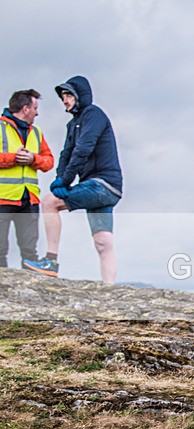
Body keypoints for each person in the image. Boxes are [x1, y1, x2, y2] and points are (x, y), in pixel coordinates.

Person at [23, 76, 123, 284]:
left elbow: (83, 149)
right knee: (102, 242)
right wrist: (60, 178)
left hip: (102, 184)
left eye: (69, 95)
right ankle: (109, 290)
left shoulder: (93, 114)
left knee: (49, 202)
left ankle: (51, 262)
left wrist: (66, 181)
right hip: (100, 188)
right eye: (63, 97)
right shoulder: (73, 124)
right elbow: (66, 154)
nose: (65, 100)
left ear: (80, 95)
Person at [0, 89, 54, 269]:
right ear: (25, 109)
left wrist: (34, 159)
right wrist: (12, 158)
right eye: (35, 108)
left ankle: (30, 294)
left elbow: (49, 162)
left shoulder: (37, 133)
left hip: (29, 199)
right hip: (3, 198)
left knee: (30, 252)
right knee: (0, 250)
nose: (37, 113)